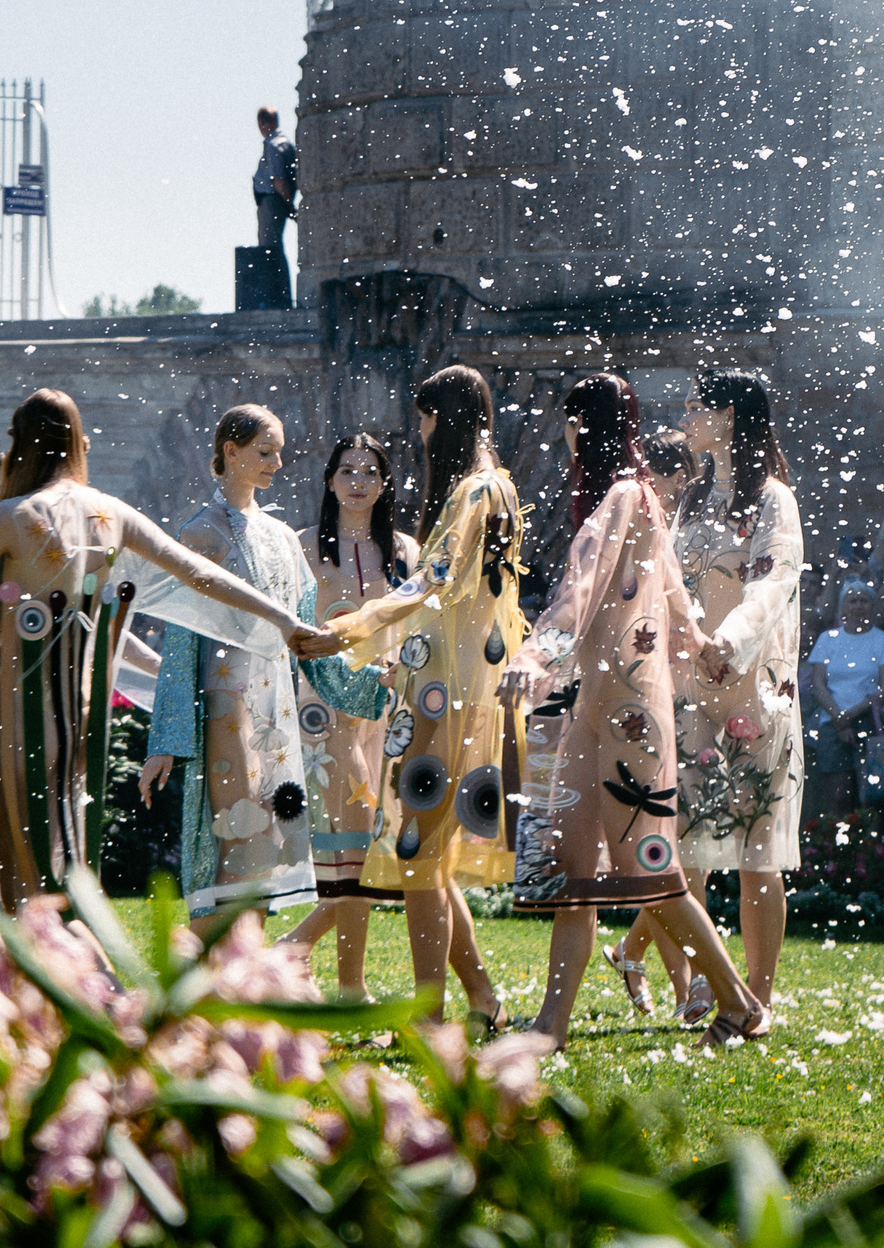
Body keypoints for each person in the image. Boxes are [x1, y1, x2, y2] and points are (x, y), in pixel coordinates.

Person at [0, 388, 338, 919]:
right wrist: (283, 620)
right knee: (34, 867)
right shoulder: (110, 514)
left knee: (28, 885)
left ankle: (64, 979)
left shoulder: (8, 518)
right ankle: (19, 971)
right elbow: (200, 575)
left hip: (18, 722)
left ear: (20, 446)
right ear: (80, 442)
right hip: (82, 726)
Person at [497, 373, 760, 1050]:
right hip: (604, 705)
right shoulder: (641, 495)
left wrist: (531, 658)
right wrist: (703, 649)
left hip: (628, 712)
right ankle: (551, 1026)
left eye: (569, 423)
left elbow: (582, 583)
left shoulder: (618, 496)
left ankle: (739, 1004)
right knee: (571, 864)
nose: (565, 436)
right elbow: (674, 599)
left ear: (583, 427)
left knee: (653, 871)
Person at [323, 366, 525, 1028]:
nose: (421, 431)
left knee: (416, 859)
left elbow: (428, 586)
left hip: (441, 702)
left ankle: (430, 1016)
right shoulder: (502, 489)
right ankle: (479, 1001)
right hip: (464, 695)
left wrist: (349, 627)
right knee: (427, 860)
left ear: (446, 417)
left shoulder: (472, 493)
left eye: (425, 417)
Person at [613, 369, 806, 1026]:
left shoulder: (773, 498)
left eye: (697, 406)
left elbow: (774, 582)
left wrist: (728, 640)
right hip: (692, 693)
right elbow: (663, 586)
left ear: (728, 415)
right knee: (686, 848)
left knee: (758, 852)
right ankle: (711, 989)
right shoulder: (694, 498)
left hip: (756, 692)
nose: (687, 416)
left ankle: (761, 996)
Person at [140, 407, 386, 918]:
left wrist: (363, 682)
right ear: (230, 451)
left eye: (279, 451)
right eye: (265, 451)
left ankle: (232, 982)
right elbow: (182, 642)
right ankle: (198, 978)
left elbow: (303, 634)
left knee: (268, 850)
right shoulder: (202, 533)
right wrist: (165, 741)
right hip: (227, 706)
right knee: (244, 843)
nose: (278, 462)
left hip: (277, 709)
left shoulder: (278, 536)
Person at [280, 433, 421, 997]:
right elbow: (286, 624)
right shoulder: (302, 546)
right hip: (323, 711)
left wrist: (403, 668)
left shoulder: (407, 551)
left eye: (369, 472)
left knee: (371, 847)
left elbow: (420, 625)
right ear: (329, 481)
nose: (357, 482)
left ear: (385, 485)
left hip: (386, 711)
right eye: (346, 471)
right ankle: (347, 985)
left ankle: (299, 947)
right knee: (351, 845)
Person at [806, 581, 884, 810]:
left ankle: (873, 845)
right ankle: (837, 845)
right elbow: (818, 684)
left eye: (864, 600)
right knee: (838, 796)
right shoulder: (828, 639)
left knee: (872, 796)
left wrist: (850, 715)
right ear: (843, 606)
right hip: (832, 722)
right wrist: (839, 717)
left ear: (872, 605)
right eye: (853, 600)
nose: (858, 606)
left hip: (872, 722)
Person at [254, 106, 298, 255]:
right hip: (278, 200)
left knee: (269, 248)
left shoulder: (273, 146)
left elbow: (279, 180)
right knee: (274, 245)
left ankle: (274, 278)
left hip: (272, 201)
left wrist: (289, 205)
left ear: (262, 123)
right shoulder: (286, 144)